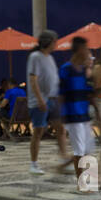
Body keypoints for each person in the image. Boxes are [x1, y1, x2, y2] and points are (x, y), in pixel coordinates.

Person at [27, 29, 68, 175]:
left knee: (60, 129)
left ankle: (64, 159)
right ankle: (33, 164)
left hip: (53, 99)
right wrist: (39, 99)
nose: (56, 44)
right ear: (49, 42)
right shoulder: (35, 57)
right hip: (40, 101)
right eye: (55, 41)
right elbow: (33, 79)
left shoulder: (49, 57)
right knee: (38, 132)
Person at [59, 37, 96, 190]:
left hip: (84, 114)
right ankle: (80, 182)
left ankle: (78, 173)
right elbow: (60, 93)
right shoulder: (66, 68)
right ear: (80, 50)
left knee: (88, 148)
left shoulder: (82, 70)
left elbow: (88, 91)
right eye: (86, 49)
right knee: (79, 149)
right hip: (73, 115)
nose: (88, 53)